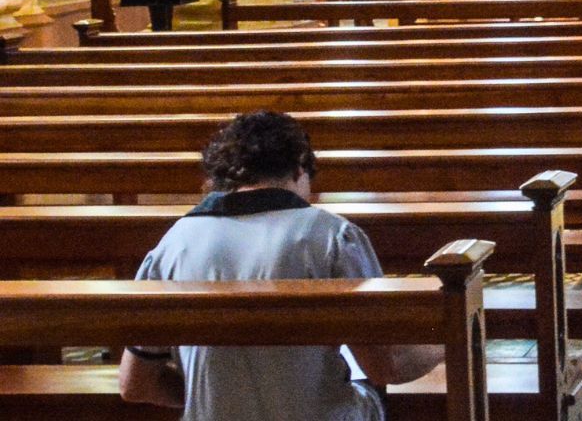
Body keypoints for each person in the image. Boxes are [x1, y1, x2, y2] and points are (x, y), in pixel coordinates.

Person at [119, 111, 443, 419]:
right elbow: (386, 366)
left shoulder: (173, 244)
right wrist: (445, 342)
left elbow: (135, 384)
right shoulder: (333, 235)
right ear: (299, 168)